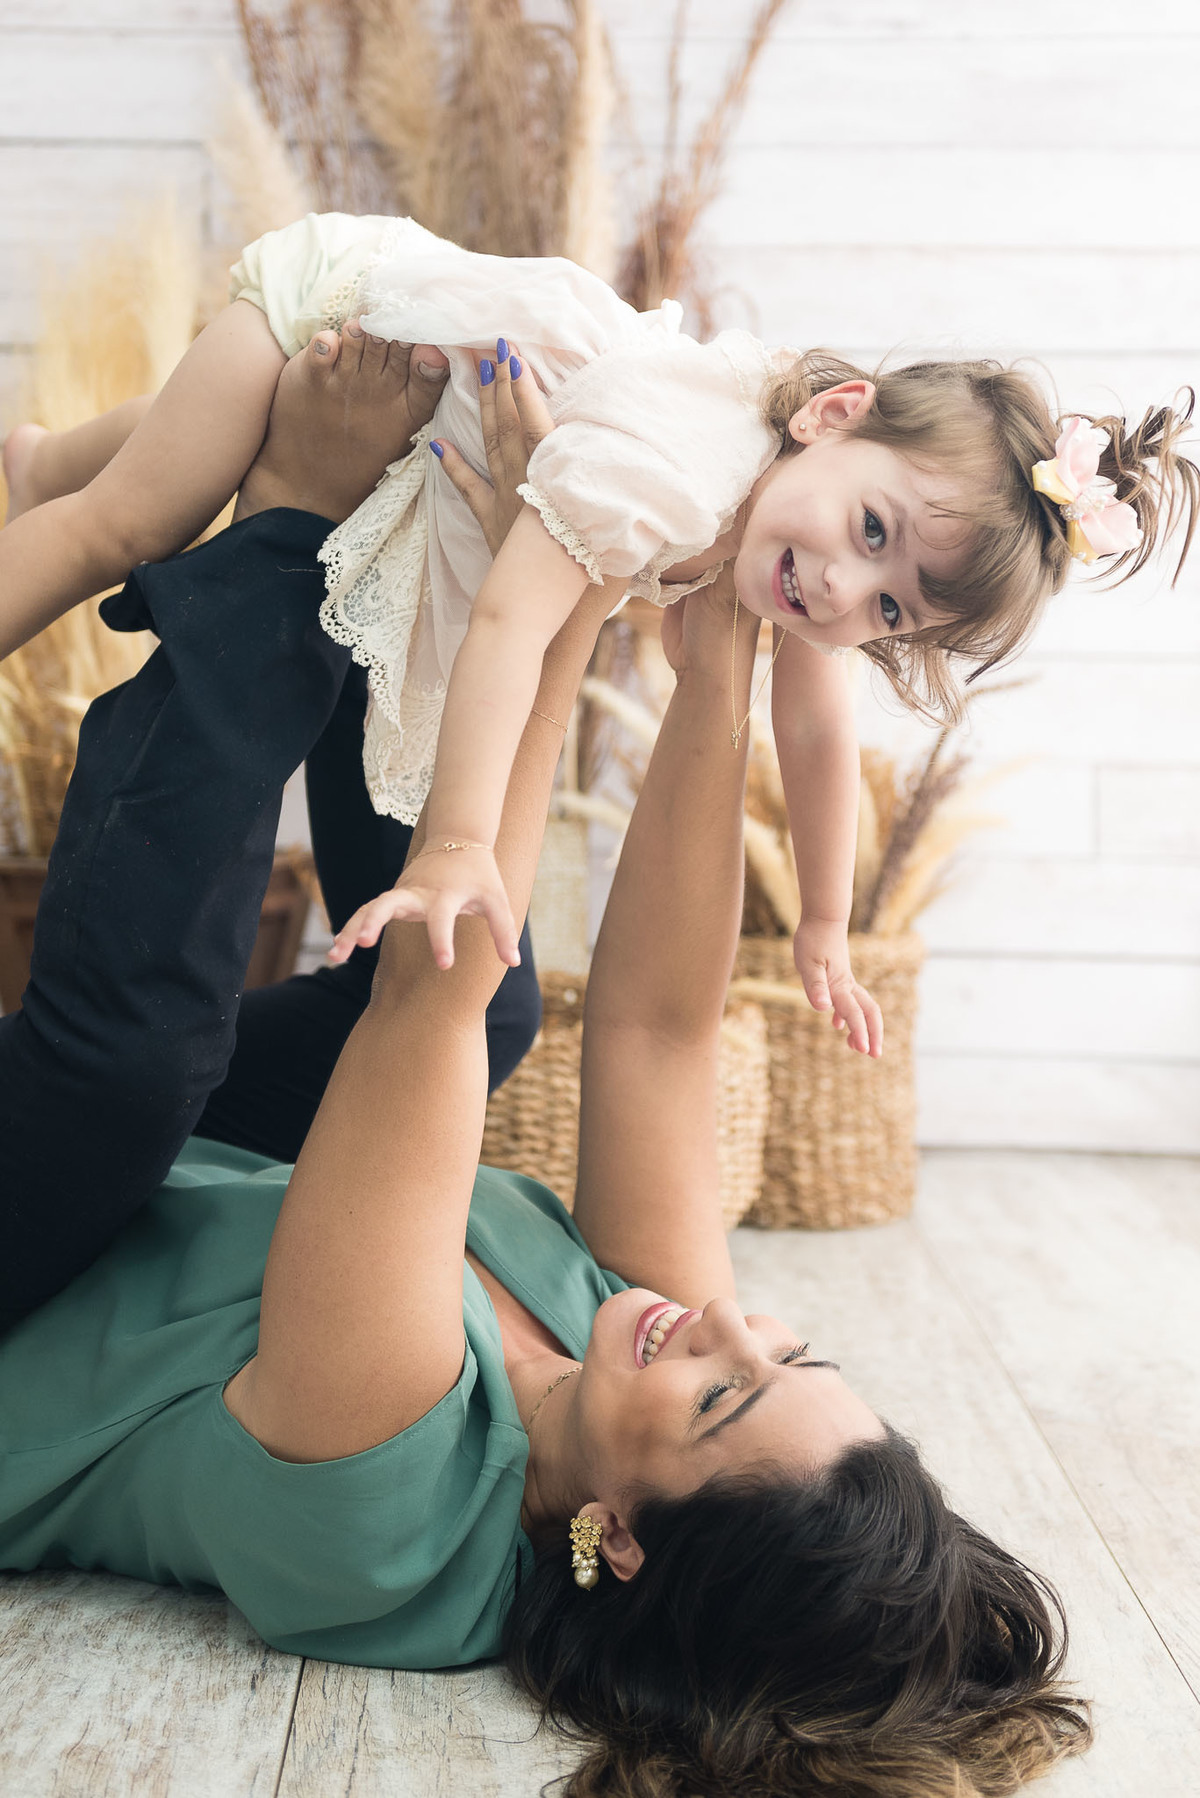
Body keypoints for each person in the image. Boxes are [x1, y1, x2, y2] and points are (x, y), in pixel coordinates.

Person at [0, 331, 1091, 1798]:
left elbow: (425, 998)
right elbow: (656, 1027)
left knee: (163, 1064)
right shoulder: (635, 1342)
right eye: (791, 1348)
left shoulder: (385, 1501)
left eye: (725, 1391)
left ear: (622, 1540)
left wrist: (558, 553)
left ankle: (295, 519)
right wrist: (716, 659)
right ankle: (394, 518)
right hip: (99, 1210)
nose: (726, 1325)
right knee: (513, 1013)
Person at [6, 216, 1194, 1056]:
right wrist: (460, 843)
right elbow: (517, 626)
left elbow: (819, 728)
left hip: (416, 449)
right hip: (354, 319)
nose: (843, 590)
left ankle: (39, 458)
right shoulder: (674, 472)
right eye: (871, 531)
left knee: (155, 451)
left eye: (893, 606)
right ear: (836, 416)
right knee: (122, 526)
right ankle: (52, 480)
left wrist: (828, 918)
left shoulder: (805, 501)